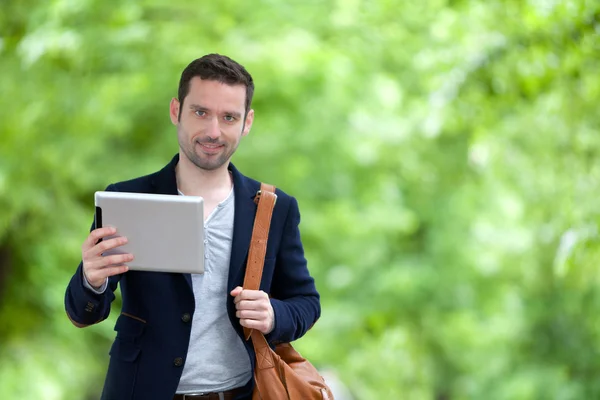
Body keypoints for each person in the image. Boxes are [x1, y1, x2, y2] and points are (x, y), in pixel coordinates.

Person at [64, 54, 321, 400]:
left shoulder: (274, 208)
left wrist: (274, 314)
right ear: (176, 111)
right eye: (201, 112)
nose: (213, 131)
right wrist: (91, 280)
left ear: (246, 123)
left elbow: (307, 302)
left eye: (228, 117)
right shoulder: (125, 199)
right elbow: (82, 312)